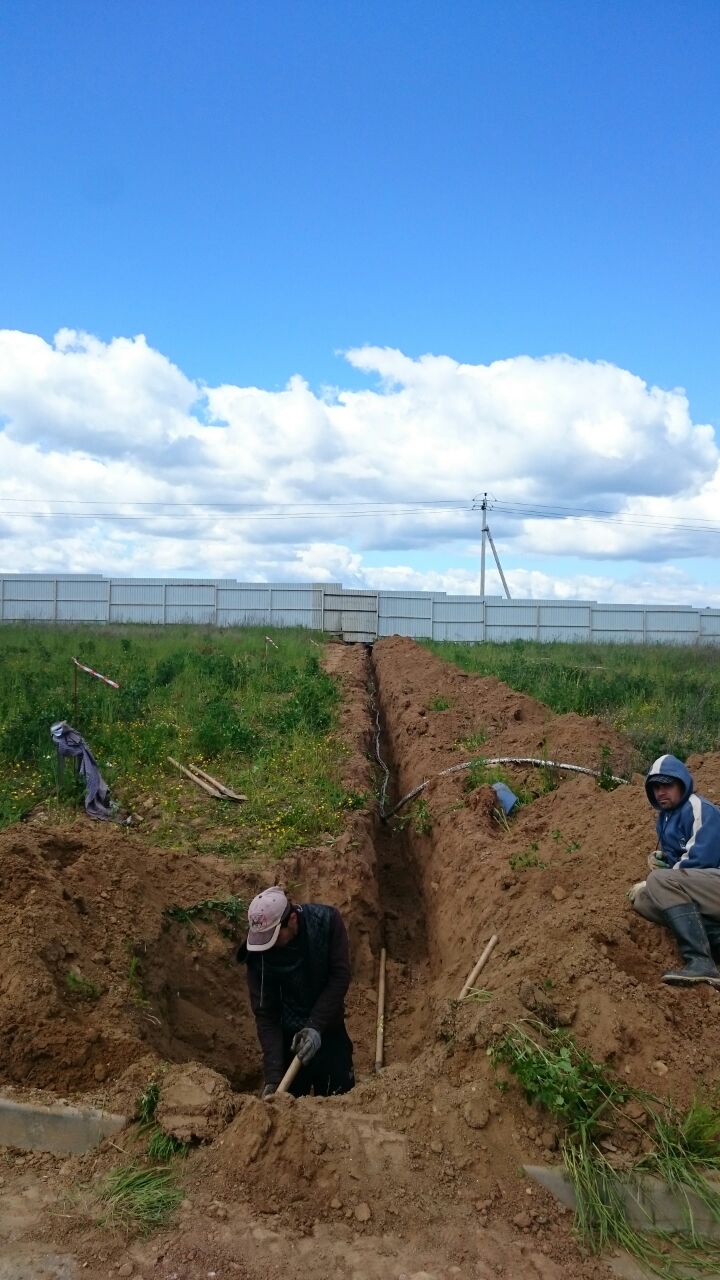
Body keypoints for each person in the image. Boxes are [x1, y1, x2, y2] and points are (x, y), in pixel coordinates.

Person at [238, 886, 355, 1097]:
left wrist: (315, 1025)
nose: (267, 946)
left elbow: (339, 977)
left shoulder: (326, 921)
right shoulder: (258, 953)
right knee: (287, 1103)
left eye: (274, 937)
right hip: (288, 1041)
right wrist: (274, 1077)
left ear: (292, 920)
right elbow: (266, 1015)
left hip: (328, 1028)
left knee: (341, 1097)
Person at [627, 754, 720, 987]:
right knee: (643, 900)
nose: (661, 792)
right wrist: (664, 863)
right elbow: (681, 866)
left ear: (682, 784)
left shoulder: (699, 809)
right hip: (705, 891)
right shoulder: (665, 819)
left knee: (656, 883)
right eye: (656, 787)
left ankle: (701, 961)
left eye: (667, 785)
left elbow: (701, 861)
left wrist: (660, 877)